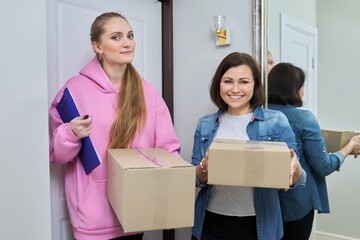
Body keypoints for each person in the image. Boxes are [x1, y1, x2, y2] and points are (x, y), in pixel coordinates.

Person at [49, 12, 180, 240]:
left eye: (130, 35)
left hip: (134, 210)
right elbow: (58, 155)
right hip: (92, 216)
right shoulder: (74, 90)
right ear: (97, 46)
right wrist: (71, 133)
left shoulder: (148, 92)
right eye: (116, 37)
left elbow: (168, 149)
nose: (127, 42)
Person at [191, 52, 306, 240]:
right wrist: (205, 166)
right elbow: (196, 180)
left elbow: (299, 181)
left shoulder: (276, 121)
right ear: (218, 84)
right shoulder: (205, 124)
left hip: (259, 226)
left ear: (255, 85)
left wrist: (294, 169)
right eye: (228, 81)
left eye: (244, 82)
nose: (235, 89)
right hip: (210, 222)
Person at [267, 62, 360, 240]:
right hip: (295, 206)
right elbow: (323, 166)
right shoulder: (303, 118)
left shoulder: (259, 115)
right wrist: (349, 147)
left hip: (266, 206)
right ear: (294, 88)